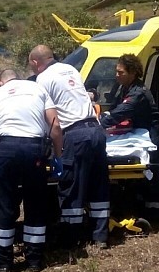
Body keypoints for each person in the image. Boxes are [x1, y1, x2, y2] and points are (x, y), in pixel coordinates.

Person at [0, 69, 63, 272]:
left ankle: (2, 263)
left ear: (0, 82)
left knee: (5, 206)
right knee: (35, 204)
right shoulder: (38, 89)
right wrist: (58, 157)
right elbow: (56, 126)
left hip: (6, 150)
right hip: (34, 150)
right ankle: (34, 261)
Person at [29, 45, 110, 250]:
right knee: (98, 183)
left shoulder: (43, 79)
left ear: (35, 62)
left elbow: (47, 116)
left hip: (75, 134)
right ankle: (100, 236)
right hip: (96, 130)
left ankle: (71, 238)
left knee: (72, 185)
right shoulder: (71, 70)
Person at [99, 54, 159, 225]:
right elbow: (115, 108)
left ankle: (155, 213)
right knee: (143, 177)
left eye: (120, 72)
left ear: (133, 72)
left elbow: (122, 111)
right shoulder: (124, 88)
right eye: (116, 71)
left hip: (152, 134)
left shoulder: (139, 93)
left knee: (153, 172)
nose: (117, 75)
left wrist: (99, 123)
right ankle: (137, 205)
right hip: (139, 130)